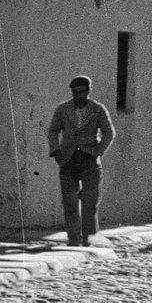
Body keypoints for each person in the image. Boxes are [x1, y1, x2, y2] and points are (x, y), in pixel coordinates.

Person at [47, 75, 115, 247]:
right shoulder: (62, 109)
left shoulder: (98, 109)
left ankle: (88, 236)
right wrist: (56, 151)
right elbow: (53, 131)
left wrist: (98, 151)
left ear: (88, 91)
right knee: (69, 200)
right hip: (68, 159)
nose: (79, 96)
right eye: (75, 92)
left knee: (90, 199)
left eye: (82, 92)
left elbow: (109, 132)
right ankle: (73, 239)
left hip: (89, 159)